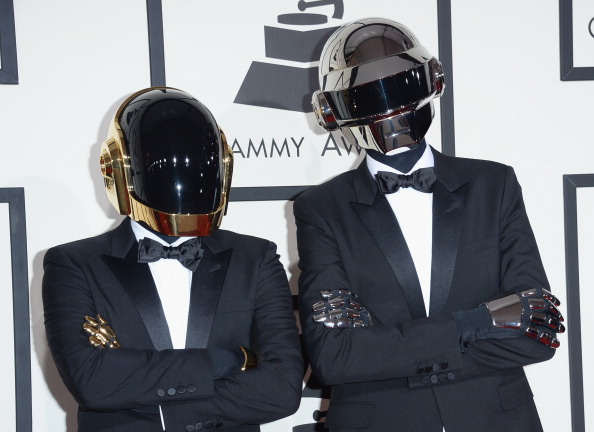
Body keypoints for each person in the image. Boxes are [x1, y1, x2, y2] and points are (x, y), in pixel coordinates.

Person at [294, 18, 565, 432]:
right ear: (333, 112)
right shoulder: (321, 209)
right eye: (366, 95)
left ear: (431, 79)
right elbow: (336, 357)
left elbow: (537, 332)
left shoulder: (493, 185)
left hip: (497, 419)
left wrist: (387, 346)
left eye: (400, 86)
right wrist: (476, 323)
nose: (392, 109)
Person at [43, 87, 303, 432]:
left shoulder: (255, 259)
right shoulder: (73, 264)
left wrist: (157, 408)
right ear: (118, 169)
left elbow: (282, 390)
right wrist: (229, 359)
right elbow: (92, 382)